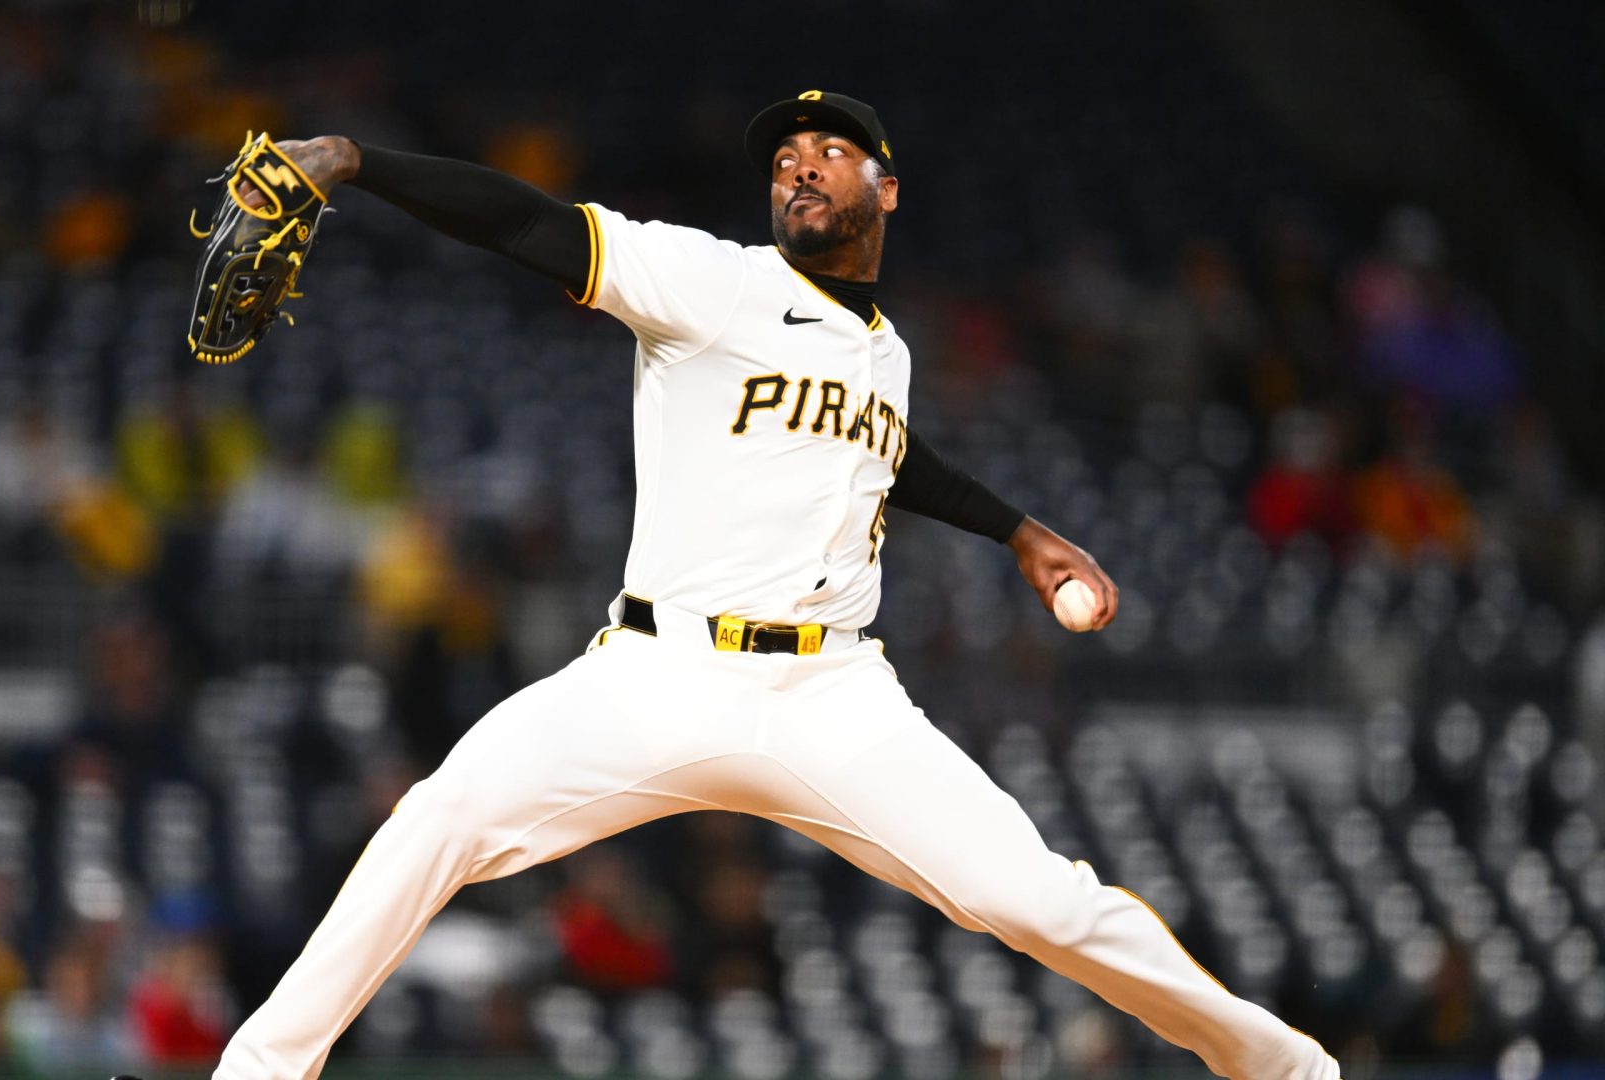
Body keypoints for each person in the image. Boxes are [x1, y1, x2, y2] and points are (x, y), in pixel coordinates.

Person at [210, 92, 1339, 1080]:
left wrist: (1017, 531)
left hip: (831, 699)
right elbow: (529, 225)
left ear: (886, 189)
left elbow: (885, 451)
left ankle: (1286, 1068)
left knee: (1041, 902)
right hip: (658, 673)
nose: (799, 167)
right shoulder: (715, 283)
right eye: (785, 157)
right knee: (439, 819)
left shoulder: (886, 353)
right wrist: (356, 160)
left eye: (829, 152)